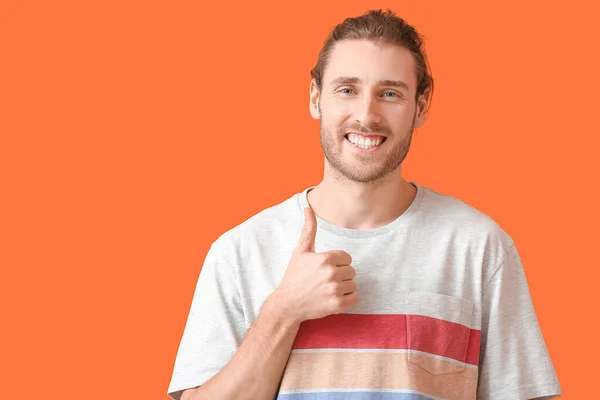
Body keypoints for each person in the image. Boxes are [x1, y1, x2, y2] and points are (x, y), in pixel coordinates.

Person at [167, 9, 562, 400]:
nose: (366, 115)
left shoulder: (479, 247)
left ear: (421, 106)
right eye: (347, 90)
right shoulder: (240, 252)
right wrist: (282, 311)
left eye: (390, 93)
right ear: (316, 98)